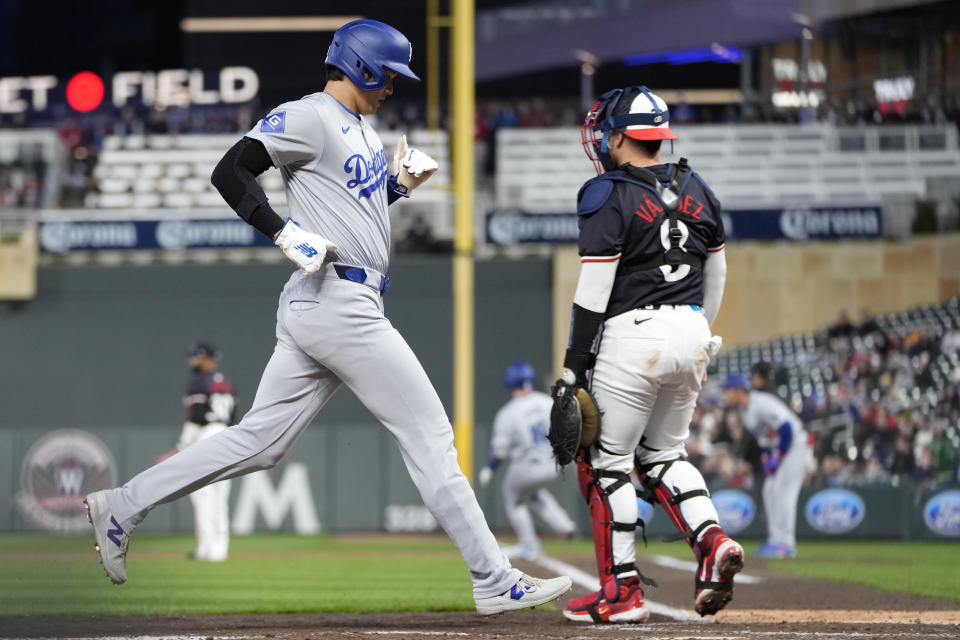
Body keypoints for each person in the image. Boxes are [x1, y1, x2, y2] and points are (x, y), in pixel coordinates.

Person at [82, 19, 571, 615]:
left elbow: (351, 215)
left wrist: (397, 186)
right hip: (338, 302)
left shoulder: (362, 129)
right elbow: (230, 169)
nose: (393, 86)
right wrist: (282, 231)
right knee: (430, 437)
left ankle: (122, 505)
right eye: (390, 74)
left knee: (259, 443)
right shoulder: (310, 115)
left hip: (333, 300)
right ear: (363, 65)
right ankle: (493, 577)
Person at [555, 85, 743, 623]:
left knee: (604, 465)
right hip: (691, 329)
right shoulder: (697, 185)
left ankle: (622, 594)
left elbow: (593, 289)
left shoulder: (606, 192)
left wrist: (573, 365)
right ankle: (711, 542)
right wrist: (695, 333)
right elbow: (719, 270)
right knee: (663, 456)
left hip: (632, 334)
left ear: (618, 136)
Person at [477, 361, 577, 560]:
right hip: (552, 463)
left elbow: (500, 451)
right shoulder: (546, 402)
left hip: (528, 466)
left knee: (513, 498)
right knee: (534, 494)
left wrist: (489, 468)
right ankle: (564, 525)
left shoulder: (508, 413)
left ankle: (530, 546)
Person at [156, 343, 236, 562]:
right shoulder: (226, 383)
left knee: (203, 495)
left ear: (209, 359)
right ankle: (220, 550)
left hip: (206, 437)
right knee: (220, 498)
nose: (192, 360)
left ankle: (206, 549)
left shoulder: (199, 382)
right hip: (228, 437)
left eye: (197, 357)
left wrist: (180, 448)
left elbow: (195, 420)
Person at [722, 372, 812, 558]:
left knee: (784, 493)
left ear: (739, 390)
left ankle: (786, 544)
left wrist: (778, 456)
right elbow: (765, 440)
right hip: (780, 449)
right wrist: (768, 458)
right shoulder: (745, 412)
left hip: (795, 446)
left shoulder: (760, 402)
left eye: (728, 390)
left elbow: (786, 427)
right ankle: (775, 540)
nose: (726, 394)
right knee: (769, 490)